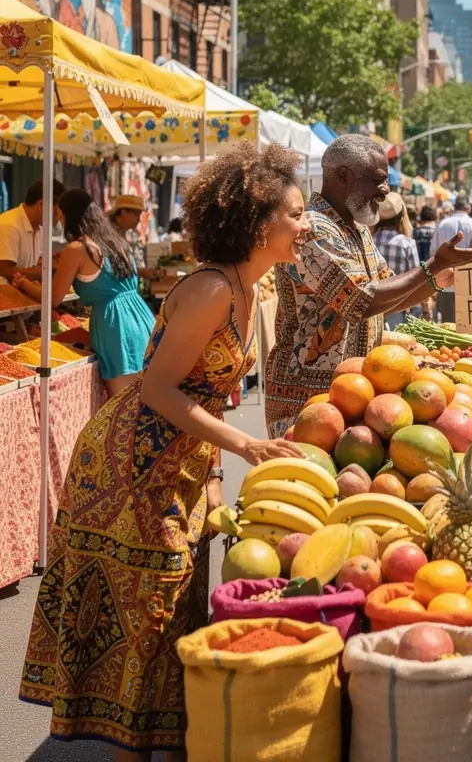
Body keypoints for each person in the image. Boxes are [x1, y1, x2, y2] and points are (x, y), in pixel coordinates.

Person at [20, 144, 310, 757]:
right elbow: (156, 388)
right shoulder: (211, 289)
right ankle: (122, 743)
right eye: (297, 214)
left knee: (169, 608)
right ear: (260, 223)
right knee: (145, 610)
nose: (305, 225)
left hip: (178, 460)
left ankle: (149, 738)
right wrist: (244, 445)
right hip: (130, 464)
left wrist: (212, 473)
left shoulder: (250, 287)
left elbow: (210, 390)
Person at [266, 136, 472, 435]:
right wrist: (431, 267)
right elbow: (361, 300)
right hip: (309, 400)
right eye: (378, 180)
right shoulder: (314, 229)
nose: (386, 191)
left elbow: (392, 294)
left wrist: (440, 278)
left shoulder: (357, 230)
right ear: (344, 176)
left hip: (353, 393)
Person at [42, 189, 154, 395]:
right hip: (141, 319)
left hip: (115, 326)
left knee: (124, 408)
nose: (59, 222)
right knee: (145, 403)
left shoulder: (77, 248)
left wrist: (22, 284)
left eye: (59, 215)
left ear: (68, 215)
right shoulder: (118, 242)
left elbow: (53, 297)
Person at [0, 178, 65, 281]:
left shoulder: (40, 229)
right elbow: (3, 271)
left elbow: (38, 263)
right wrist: (38, 273)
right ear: (42, 205)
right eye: (56, 213)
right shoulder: (9, 226)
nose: (59, 218)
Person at [430, 195, 472, 323]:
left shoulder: (442, 224)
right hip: (470, 284)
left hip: (445, 283)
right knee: (469, 326)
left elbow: (433, 253)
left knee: (448, 328)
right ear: (468, 208)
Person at [373, 192, 420, 330]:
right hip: (398, 308)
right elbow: (416, 279)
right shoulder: (407, 244)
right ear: (400, 217)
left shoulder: (368, 241)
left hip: (373, 310)